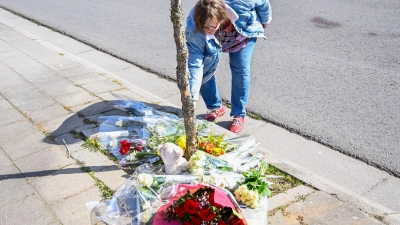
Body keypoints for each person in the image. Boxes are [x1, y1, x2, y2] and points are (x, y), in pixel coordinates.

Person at [185, 0, 271, 134]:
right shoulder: (194, 29)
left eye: (211, 27)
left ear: (222, 16)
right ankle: (215, 107)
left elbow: (263, 2)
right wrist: (192, 100)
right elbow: (195, 66)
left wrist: (266, 19)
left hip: (243, 34)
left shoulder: (241, 2)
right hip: (216, 43)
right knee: (203, 71)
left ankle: (239, 114)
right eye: (204, 27)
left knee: (240, 70)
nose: (207, 30)